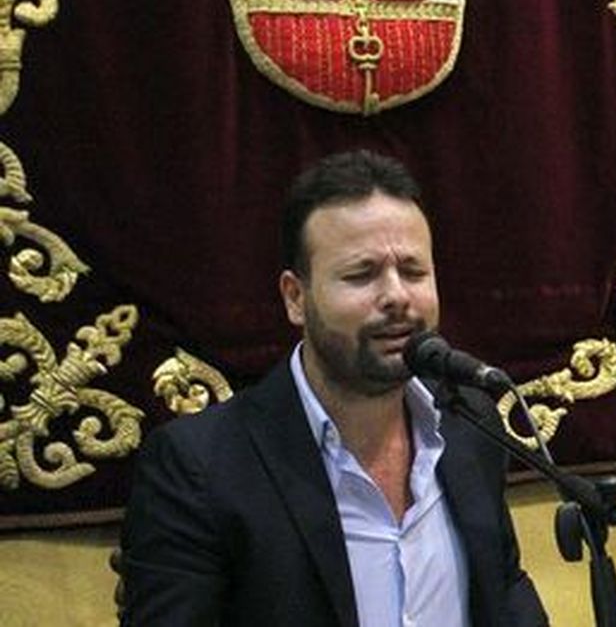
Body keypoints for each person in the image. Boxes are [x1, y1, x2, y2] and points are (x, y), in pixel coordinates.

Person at [119, 150, 548, 626]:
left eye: (413, 271)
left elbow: (503, 588)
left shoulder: (468, 420)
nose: (397, 297)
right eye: (361, 275)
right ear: (296, 299)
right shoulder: (200, 467)